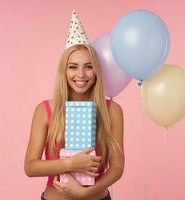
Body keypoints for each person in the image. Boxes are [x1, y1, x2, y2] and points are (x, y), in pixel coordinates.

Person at [24, 10, 124, 200]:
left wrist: (87, 192)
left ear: (96, 71)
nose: (81, 74)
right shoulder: (45, 110)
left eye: (88, 66)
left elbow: (117, 167)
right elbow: (30, 167)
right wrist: (71, 164)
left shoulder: (112, 111)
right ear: (64, 71)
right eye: (73, 67)